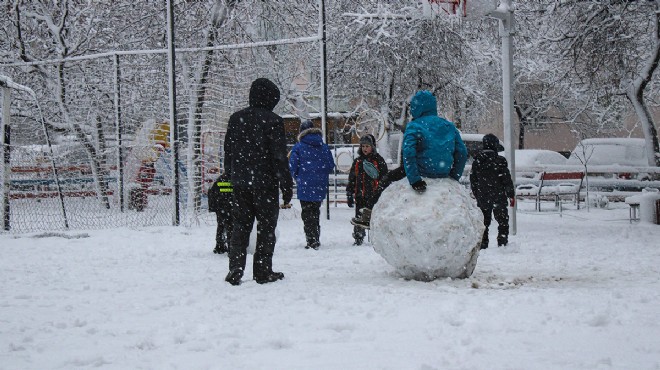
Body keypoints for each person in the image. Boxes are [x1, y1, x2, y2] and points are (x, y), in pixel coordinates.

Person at [223, 77, 294, 286]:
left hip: (240, 183)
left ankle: (235, 269)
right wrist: (286, 185)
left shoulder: (236, 119)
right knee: (265, 227)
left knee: (240, 226)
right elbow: (279, 157)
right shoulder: (273, 121)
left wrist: (231, 175)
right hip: (265, 184)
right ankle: (262, 271)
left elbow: (228, 152)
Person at [402, 90, 468, 193]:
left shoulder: (414, 126)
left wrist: (415, 180)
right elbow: (462, 152)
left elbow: (408, 152)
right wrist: (454, 175)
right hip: (445, 178)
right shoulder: (449, 126)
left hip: (423, 175)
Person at [288, 120, 336, 250]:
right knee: (315, 212)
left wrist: (297, 176)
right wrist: (320, 174)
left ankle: (311, 240)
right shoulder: (324, 146)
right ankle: (315, 237)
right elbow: (330, 165)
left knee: (307, 214)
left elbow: (292, 166)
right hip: (319, 185)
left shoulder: (298, 147)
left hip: (304, 185)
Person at [469, 133, 515, 248]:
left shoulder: (477, 161)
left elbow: (473, 180)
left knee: (484, 222)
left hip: (483, 196)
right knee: (503, 221)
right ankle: (502, 242)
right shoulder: (500, 161)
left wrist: (477, 193)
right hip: (498, 196)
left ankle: (483, 243)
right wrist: (510, 194)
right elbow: (506, 179)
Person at [345, 134, 388, 245]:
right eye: (363, 146)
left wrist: (381, 190)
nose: (364, 149)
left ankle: (377, 238)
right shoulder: (358, 161)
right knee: (359, 216)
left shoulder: (379, 160)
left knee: (374, 217)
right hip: (360, 195)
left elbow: (385, 177)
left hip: (374, 195)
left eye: (367, 146)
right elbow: (352, 178)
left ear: (372, 147)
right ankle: (358, 237)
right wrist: (349, 193)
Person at [207, 172, 233, 254]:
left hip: (220, 207)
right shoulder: (235, 179)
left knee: (221, 225)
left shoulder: (220, 179)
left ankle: (219, 245)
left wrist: (213, 207)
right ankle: (231, 247)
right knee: (231, 227)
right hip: (231, 207)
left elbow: (212, 193)